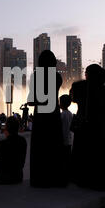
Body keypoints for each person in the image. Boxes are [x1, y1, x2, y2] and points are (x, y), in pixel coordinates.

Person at [69, 64, 105, 191]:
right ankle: (100, 181)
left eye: (86, 73)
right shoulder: (103, 89)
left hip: (84, 128)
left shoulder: (79, 87)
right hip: (99, 128)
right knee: (100, 155)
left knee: (83, 155)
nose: (85, 75)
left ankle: (83, 179)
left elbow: (72, 98)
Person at [27, 50, 67, 188]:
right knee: (54, 144)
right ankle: (55, 177)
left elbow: (32, 100)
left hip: (41, 116)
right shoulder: (57, 77)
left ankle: (40, 179)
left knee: (40, 146)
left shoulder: (36, 76)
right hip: (53, 114)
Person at [0, 117, 27, 186]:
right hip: (18, 174)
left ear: (7, 129)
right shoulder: (22, 140)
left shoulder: (3, 143)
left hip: (4, 176)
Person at [59, 94, 73, 178]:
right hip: (69, 139)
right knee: (67, 158)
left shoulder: (62, 115)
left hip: (63, 139)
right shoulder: (70, 114)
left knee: (63, 159)